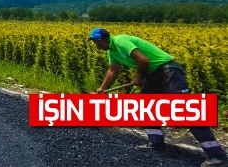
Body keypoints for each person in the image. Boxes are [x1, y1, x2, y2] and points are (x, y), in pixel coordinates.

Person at [89, 28, 228, 167]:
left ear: (100, 40)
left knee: (187, 110)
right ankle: (156, 142)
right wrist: (103, 89)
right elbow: (113, 70)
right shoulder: (112, 52)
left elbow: (143, 60)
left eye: (95, 43)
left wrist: (138, 77)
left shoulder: (121, 41)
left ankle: (217, 155)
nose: (95, 45)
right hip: (154, 75)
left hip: (168, 70)